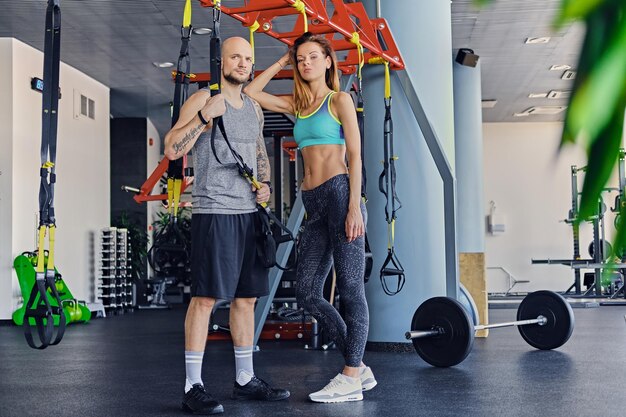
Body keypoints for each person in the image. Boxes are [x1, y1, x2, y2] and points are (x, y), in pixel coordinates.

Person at [244, 32, 376, 403]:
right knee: (306, 292)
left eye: (313, 57)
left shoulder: (339, 100)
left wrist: (354, 207)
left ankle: (351, 374)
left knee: (350, 289)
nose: (306, 64)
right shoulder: (297, 105)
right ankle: (359, 365)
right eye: (301, 59)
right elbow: (253, 91)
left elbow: (356, 157)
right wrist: (281, 61)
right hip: (313, 202)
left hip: (339, 194)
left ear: (328, 61)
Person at [164, 36, 290, 415]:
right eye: (236, 57)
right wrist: (204, 118)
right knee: (205, 298)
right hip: (214, 211)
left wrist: (265, 185)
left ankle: (245, 378)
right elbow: (171, 148)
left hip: (249, 213)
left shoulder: (253, 107)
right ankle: (193, 385)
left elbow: (256, 152)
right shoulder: (204, 99)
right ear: (222, 61)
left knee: (247, 298)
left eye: (248, 59)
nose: (243, 63)